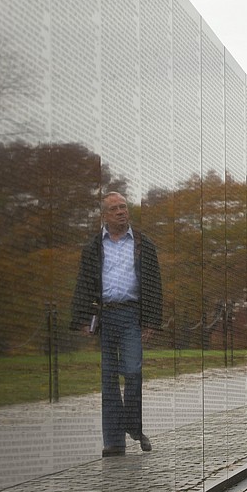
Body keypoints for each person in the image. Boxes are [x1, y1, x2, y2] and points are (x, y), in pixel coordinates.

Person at [71, 192, 163, 457]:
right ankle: (114, 441)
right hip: (104, 317)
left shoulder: (143, 244)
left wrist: (151, 321)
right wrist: (81, 320)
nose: (122, 212)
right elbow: (84, 284)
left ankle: (133, 427)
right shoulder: (92, 247)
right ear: (105, 216)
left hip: (132, 315)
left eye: (124, 207)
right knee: (108, 378)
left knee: (132, 372)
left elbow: (154, 284)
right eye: (115, 209)